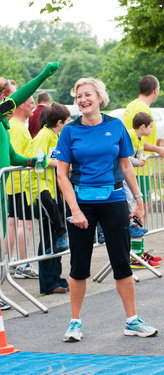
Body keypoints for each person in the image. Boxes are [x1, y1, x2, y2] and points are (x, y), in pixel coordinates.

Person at [56, 77, 157, 342]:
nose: (83, 100)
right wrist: (75, 210)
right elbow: (62, 175)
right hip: (82, 204)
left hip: (113, 200)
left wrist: (138, 199)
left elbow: (125, 166)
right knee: (79, 265)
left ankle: (132, 320)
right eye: (79, 96)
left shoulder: (116, 126)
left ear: (100, 98)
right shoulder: (69, 131)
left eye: (88, 94)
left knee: (122, 261)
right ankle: (75, 322)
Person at [0, 63, 59, 311]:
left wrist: (31, 161)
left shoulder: (3, 124)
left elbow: (11, 156)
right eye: (8, 95)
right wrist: (43, 75)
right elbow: (20, 95)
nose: (12, 101)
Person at [123, 75, 164, 259]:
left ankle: (137, 252)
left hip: (133, 165)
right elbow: (137, 141)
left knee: (137, 208)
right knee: (139, 208)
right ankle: (137, 253)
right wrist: (159, 149)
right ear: (156, 90)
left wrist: (156, 144)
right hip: (137, 168)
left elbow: (137, 140)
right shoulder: (142, 110)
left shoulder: (131, 106)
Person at [30, 102, 70, 294]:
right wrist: (54, 162)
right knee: (48, 237)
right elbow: (35, 158)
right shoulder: (43, 136)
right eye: (67, 120)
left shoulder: (57, 135)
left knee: (57, 237)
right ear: (60, 122)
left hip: (55, 190)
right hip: (43, 190)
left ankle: (57, 277)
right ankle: (47, 282)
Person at [127, 111, 164, 269]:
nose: (151, 130)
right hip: (124, 179)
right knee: (133, 209)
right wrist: (137, 161)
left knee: (138, 210)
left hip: (132, 178)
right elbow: (125, 158)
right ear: (142, 126)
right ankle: (133, 255)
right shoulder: (129, 135)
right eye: (150, 127)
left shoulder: (140, 139)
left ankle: (139, 253)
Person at [7, 96, 38, 279]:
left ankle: (9, 261)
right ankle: (22, 264)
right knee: (24, 224)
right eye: (31, 102)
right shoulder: (17, 129)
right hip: (19, 183)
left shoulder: (17, 126)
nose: (34, 106)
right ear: (20, 106)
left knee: (14, 223)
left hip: (16, 183)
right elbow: (16, 157)